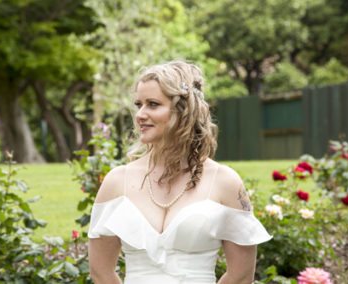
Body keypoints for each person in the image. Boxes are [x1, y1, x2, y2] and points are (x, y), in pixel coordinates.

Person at [88, 60, 272, 284]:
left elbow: (241, 275)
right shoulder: (117, 181)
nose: (140, 115)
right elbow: (101, 273)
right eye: (139, 105)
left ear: (183, 111)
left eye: (153, 104)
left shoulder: (224, 182)